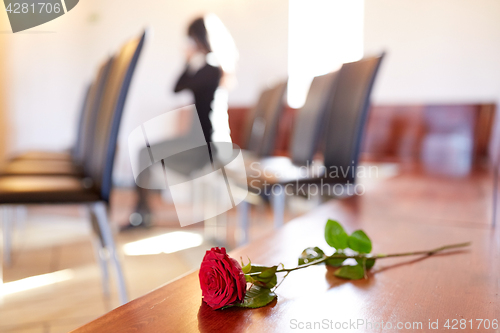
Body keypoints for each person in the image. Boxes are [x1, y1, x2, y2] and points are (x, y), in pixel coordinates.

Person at [123, 14, 238, 230]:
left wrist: (188, 61)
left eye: (192, 40)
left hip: (206, 145)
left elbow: (178, 86)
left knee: (143, 153)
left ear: (199, 39)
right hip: (199, 140)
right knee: (144, 153)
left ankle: (142, 213)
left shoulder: (210, 68)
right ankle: (143, 210)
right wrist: (188, 62)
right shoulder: (208, 68)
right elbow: (177, 87)